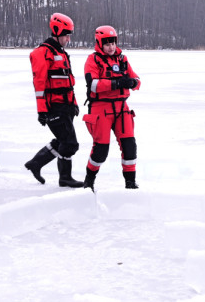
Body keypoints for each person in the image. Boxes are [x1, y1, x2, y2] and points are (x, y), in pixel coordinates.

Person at [24, 13, 82, 187]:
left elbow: (68, 83)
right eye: (66, 35)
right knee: (70, 144)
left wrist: (74, 104)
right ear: (56, 32)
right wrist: (42, 110)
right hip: (54, 107)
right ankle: (64, 177)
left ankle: (35, 163)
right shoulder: (42, 53)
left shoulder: (62, 54)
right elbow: (39, 84)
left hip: (66, 106)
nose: (68, 39)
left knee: (62, 141)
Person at [82, 25, 140, 190]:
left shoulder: (122, 59)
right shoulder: (92, 60)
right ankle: (89, 180)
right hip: (101, 109)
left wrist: (133, 82)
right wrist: (117, 83)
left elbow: (137, 79)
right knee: (101, 150)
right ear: (99, 43)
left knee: (130, 146)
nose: (111, 47)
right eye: (107, 43)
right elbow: (93, 84)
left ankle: (130, 182)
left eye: (113, 43)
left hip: (122, 108)